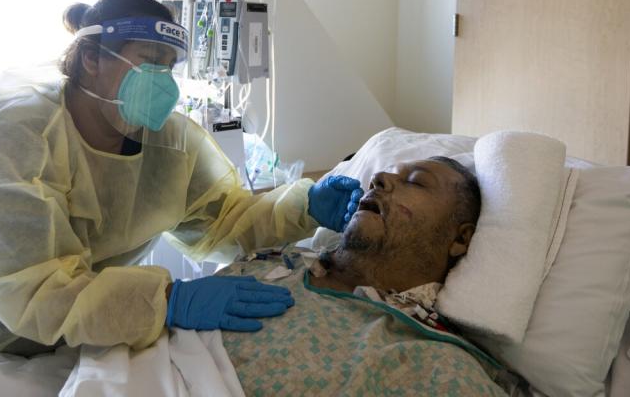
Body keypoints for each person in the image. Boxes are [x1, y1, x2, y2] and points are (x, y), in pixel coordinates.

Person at [0, 0, 363, 361]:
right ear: (91, 58)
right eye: (146, 61)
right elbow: (33, 288)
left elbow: (226, 220)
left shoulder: (168, 141)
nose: (161, 80)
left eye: (169, 66)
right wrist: (168, 299)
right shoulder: (12, 136)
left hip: (78, 342)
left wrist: (304, 205)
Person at [218, 157, 520, 396]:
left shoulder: (433, 367)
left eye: (415, 182)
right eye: (386, 173)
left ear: (461, 238)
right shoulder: (277, 259)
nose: (379, 179)